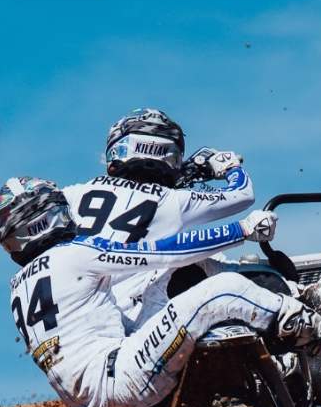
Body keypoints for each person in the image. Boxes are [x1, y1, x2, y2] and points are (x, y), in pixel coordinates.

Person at [0, 177, 321, 407]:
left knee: (162, 283)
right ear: (40, 219)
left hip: (97, 405)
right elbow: (166, 251)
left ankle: (290, 335)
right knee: (220, 292)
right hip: (123, 377)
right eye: (55, 207)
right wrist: (243, 229)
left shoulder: (19, 285)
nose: (68, 214)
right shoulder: (70, 255)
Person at [61, 108, 257, 326]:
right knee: (215, 264)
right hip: (141, 311)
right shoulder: (171, 200)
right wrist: (230, 166)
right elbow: (242, 194)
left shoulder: (75, 193)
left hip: (82, 312)